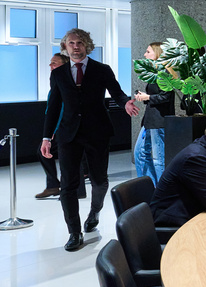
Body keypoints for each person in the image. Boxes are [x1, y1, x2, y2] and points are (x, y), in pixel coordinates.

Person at [41, 28, 140, 252]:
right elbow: (54, 107)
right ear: (65, 47)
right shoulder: (58, 74)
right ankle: (74, 232)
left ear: (87, 46)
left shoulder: (101, 70)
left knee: (99, 180)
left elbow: (117, 92)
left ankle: (95, 211)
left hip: (97, 132)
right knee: (68, 184)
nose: (76, 47)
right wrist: (47, 137)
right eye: (71, 43)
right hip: (69, 134)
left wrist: (125, 102)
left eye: (79, 43)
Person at [36, 54, 85, 200]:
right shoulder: (57, 80)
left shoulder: (69, 82)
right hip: (61, 127)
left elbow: (62, 109)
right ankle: (55, 186)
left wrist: (52, 132)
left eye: (54, 63)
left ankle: (72, 189)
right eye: (50, 63)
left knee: (71, 157)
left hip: (67, 127)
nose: (51, 66)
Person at [133, 42, 175, 185]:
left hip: (158, 122)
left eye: (148, 51)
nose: (145, 55)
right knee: (140, 154)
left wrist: (148, 97)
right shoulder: (155, 73)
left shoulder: (165, 73)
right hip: (150, 121)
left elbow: (166, 97)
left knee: (158, 159)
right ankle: (150, 187)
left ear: (157, 53)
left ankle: (160, 191)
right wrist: (145, 97)